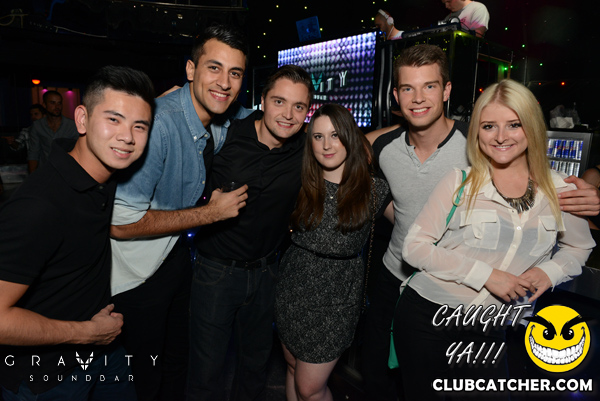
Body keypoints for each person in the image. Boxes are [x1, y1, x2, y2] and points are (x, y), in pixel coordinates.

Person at [363, 44, 600, 401]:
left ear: (446, 90)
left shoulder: (546, 183)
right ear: (396, 95)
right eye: (408, 88)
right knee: (386, 382)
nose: (501, 135)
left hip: (489, 320)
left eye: (429, 86)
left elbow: (578, 245)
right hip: (414, 293)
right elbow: (351, 161)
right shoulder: (388, 147)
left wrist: (550, 270)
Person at [109, 24, 252, 401]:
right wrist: (210, 214)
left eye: (235, 73)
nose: (224, 83)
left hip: (176, 257)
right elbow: (120, 224)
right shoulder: (160, 125)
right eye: (214, 68)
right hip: (136, 271)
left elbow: (274, 118)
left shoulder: (221, 117)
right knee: (143, 377)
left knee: (177, 364)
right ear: (191, 69)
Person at [0, 65, 154, 400]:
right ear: (82, 119)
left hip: (105, 349)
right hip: (46, 376)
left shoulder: (102, 173)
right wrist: (87, 334)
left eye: (139, 125)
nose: (127, 136)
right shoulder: (39, 206)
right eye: (113, 119)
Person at [188, 64, 313, 401]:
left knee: (255, 370)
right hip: (215, 273)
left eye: (298, 107)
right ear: (263, 100)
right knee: (206, 374)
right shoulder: (225, 136)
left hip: (267, 274)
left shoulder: (306, 148)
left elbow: (350, 142)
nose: (287, 115)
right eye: (279, 102)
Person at [275, 104, 390, 401]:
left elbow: (414, 227)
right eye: (318, 136)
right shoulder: (302, 182)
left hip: (337, 300)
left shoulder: (375, 190)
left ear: (350, 137)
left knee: (310, 388)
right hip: (292, 289)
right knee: (292, 367)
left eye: (336, 135)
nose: (326, 145)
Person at [27, 90, 78, 173]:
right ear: (44, 105)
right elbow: (34, 152)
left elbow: (80, 151)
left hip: (67, 172)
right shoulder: (37, 126)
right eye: (52, 103)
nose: (57, 106)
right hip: (45, 172)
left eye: (59, 103)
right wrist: (32, 177)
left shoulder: (72, 126)